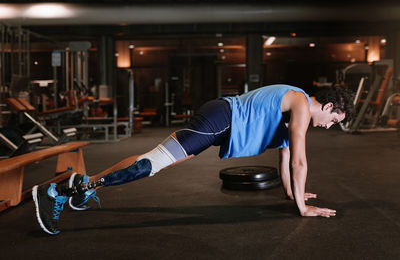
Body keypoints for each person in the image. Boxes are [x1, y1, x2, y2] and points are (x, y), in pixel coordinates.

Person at [32, 84, 354, 235]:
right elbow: (300, 160)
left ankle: (85, 185)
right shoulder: (299, 103)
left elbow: (286, 158)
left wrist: (291, 194)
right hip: (221, 120)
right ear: (327, 107)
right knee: (150, 165)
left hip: (220, 119)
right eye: (335, 120)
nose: (330, 126)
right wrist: (302, 207)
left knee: (154, 160)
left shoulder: (293, 105)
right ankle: (55, 194)